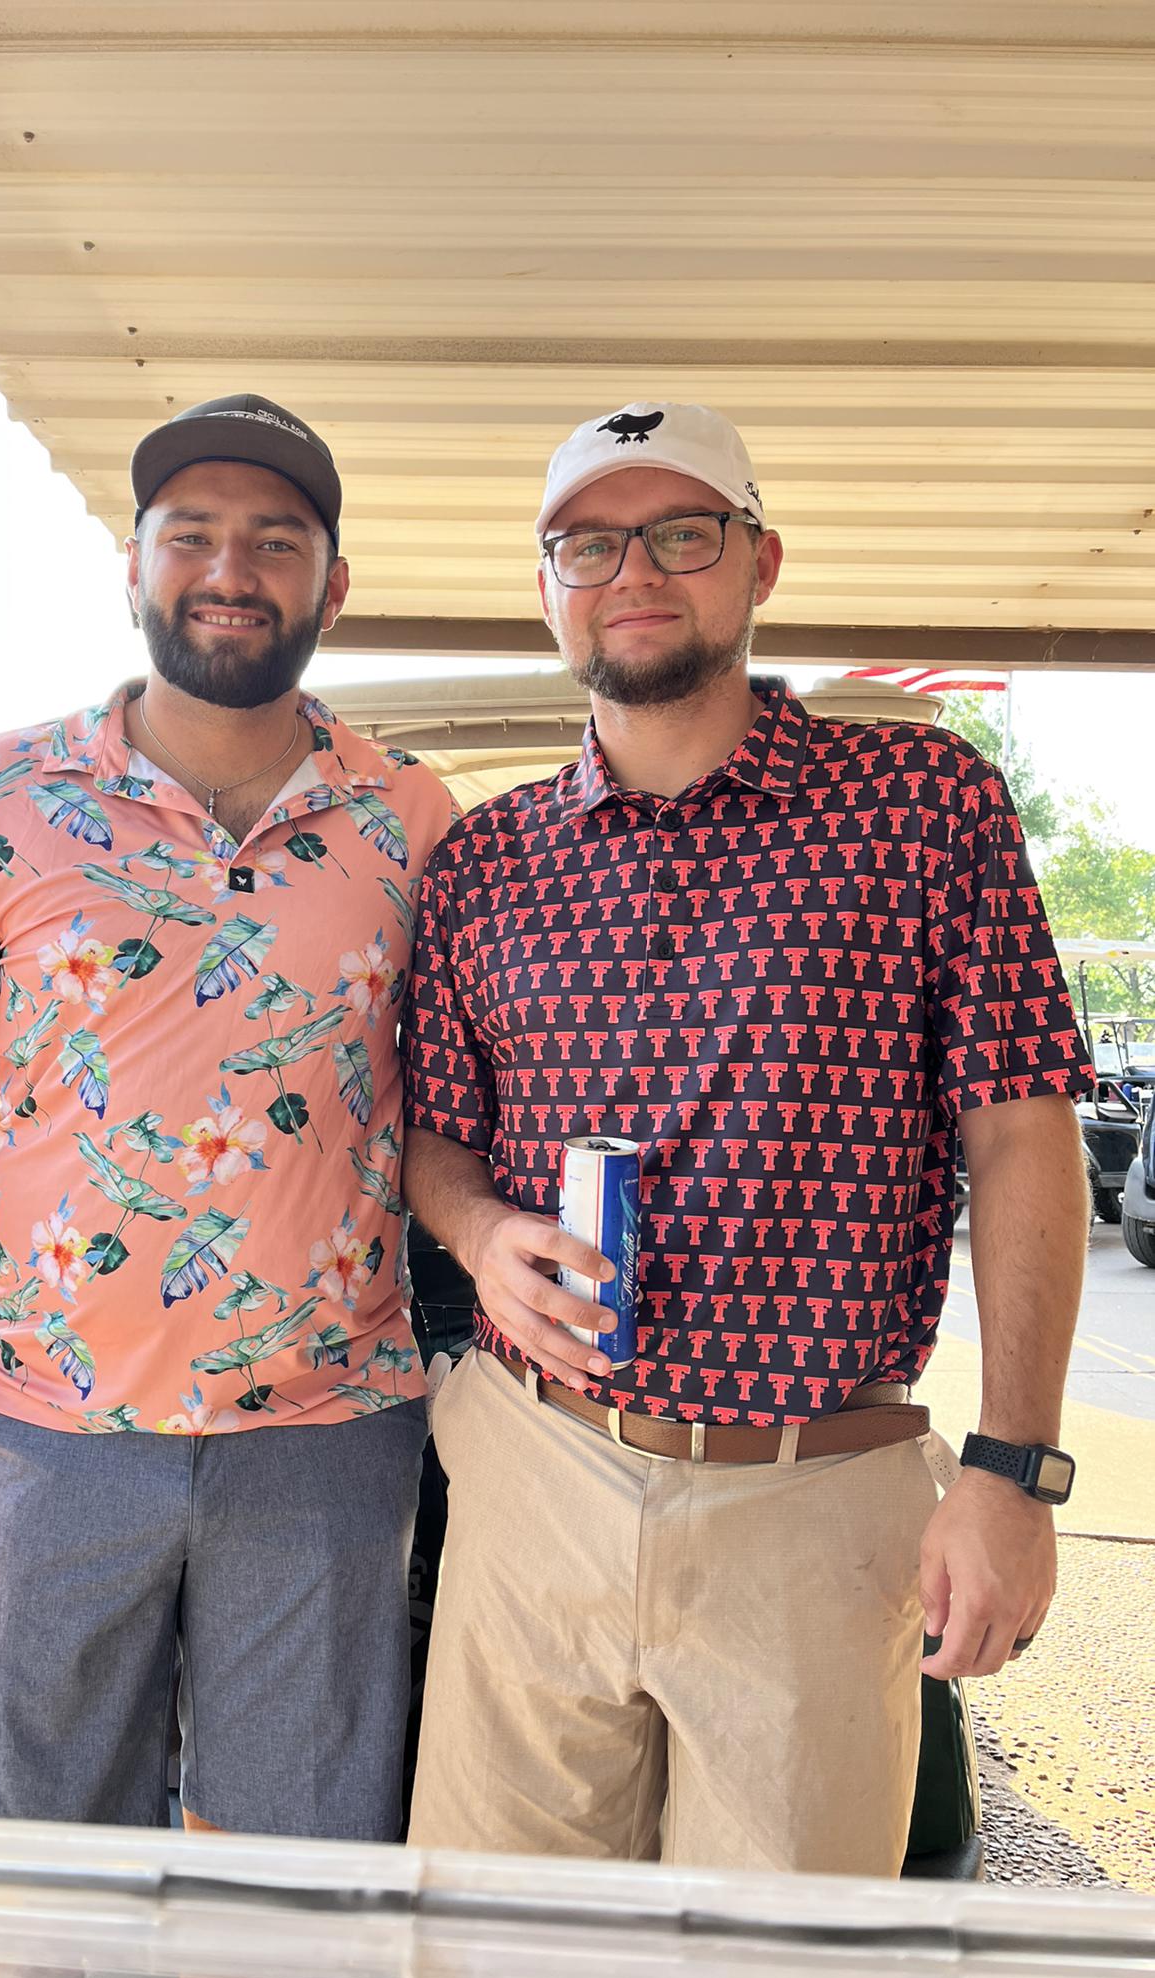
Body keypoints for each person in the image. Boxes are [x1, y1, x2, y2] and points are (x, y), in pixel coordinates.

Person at [401, 400, 1094, 1874]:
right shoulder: (482, 862)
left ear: (760, 561)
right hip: (539, 1472)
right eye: (587, 543)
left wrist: (1015, 1470)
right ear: (546, 587)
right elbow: (435, 1146)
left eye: (683, 531)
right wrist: (477, 1232)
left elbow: (1022, 1137)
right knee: (494, 1948)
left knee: (777, 1964)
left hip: (814, 1492)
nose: (633, 570)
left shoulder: (923, 807)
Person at [0, 393, 455, 1841]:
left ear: (333, 583)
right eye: (194, 534)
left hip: (329, 1438)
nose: (232, 568)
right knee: (40, 1900)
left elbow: (449, 1120)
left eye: (277, 539)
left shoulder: (414, 822)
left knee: (293, 1911)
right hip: (52, 1440)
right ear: (133, 563)